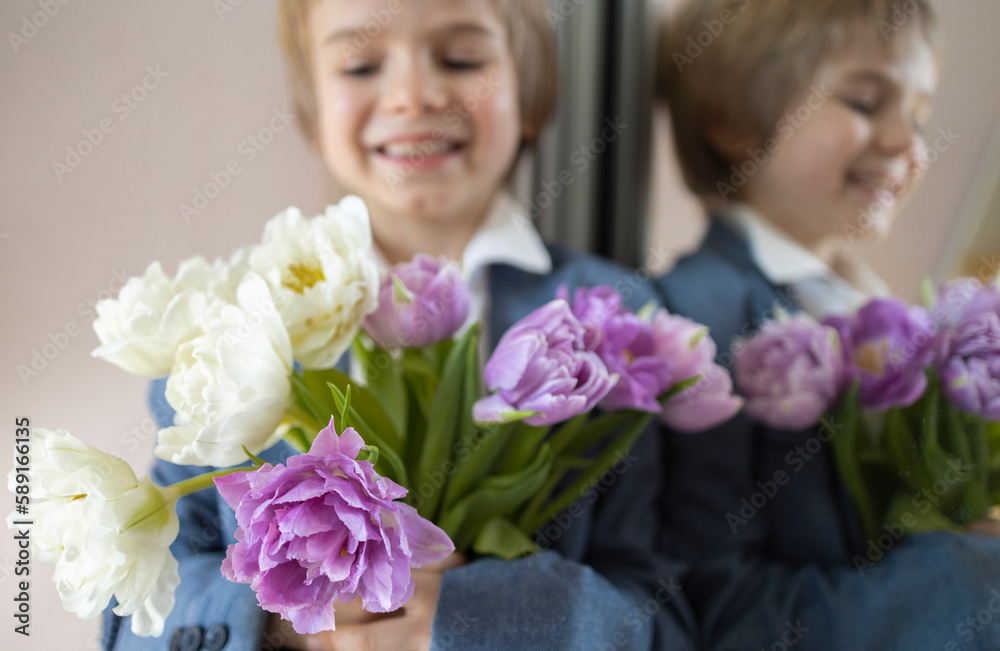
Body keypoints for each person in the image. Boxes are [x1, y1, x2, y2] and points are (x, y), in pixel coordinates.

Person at [102, 1, 696, 649]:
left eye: (462, 59)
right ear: (313, 120)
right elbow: (130, 615)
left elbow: (671, 613)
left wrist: (489, 614)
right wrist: (276, 616)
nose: (414, 95)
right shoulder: (228, 322)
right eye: (360, 65)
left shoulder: (619, 314)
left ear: (528, 97)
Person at [654, 0, 1000, 649]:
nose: (907, 142)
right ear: (734, 122)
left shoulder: (891, 312)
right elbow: (722, 606)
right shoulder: (698, 321)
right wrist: (976, 575)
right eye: (867, 102)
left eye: (919, 114)